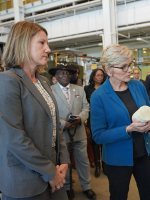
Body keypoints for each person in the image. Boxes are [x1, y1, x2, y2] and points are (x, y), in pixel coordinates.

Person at [0, 21, 70, 200]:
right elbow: (14, 137)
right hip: (24, 179)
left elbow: (55, 124)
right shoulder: (6, 81)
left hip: (55, 170)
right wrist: (51, 172)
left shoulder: (43, 81)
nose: (48, 49)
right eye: (42, 43)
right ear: (23, 44)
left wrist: (63, 159)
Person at [91, 44, 150, 200]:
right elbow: (98, 135)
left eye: (130, 65)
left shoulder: (137, 86)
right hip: (117, 159)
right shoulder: (99, 96)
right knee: (118, 196)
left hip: (143, 154)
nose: (129, 70)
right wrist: (128, 129)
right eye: (123, 67)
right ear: (108, 70)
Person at [49, 63, 96, 200]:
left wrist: (80, 118)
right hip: (62, 134)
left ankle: (87, 187)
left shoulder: (79, 90)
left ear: (72, 75)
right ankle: (68, 187)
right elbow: (50, 113)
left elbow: (86, 107)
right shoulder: (50, 91)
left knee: (83, 161)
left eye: (68, 73)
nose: (65, 75)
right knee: (64, 162)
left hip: (79, 132)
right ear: (56, 76)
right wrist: (64, 124)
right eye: (61, 73)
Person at [84, 69, 106, 178]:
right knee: (95, 142)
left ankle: (105, 165)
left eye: (101, 75)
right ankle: (98, 166)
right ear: (93, 76)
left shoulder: (107, 88)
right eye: (97, 75)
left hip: (106, 119)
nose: (100, 77)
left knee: (105, 142)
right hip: (92, 119)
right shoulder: (87, 89)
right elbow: (85, 105)